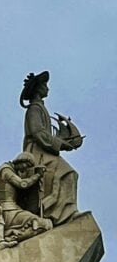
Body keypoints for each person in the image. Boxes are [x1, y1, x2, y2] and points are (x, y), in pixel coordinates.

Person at [20, 70, 81, 225]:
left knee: (69, 174)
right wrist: (59, 144)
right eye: (45, 85)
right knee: (68, 173)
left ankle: (64, 212)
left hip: (45, 151)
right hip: (38, 153)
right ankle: (59, 213)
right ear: (38, 89)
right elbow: (37, 131)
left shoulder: (40, 108)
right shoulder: (34, 108)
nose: (47, 88)